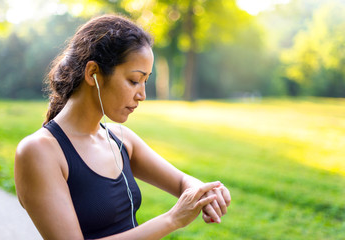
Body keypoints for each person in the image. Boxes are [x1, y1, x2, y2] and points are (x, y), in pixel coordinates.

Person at [14, 14, 231, 240]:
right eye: (134, 80)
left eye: (145, 81)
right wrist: (172, 219)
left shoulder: (121, 139)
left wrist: (207, 192)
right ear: (93, 73)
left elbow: (181, 182)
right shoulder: (38, 151)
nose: (142, 95)